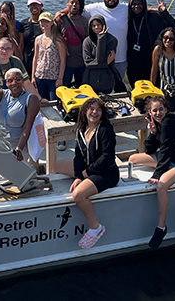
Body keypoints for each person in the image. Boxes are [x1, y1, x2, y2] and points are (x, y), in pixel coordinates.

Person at [129, 96, 175, 248]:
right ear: (150, 112)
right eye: (155, 110)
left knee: (161, 186)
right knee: (133, 158)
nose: (158, 113)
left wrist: (157, 174)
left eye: (161, 109)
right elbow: (149, 150)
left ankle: (161, 227)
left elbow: (166, 151)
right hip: (171, 159)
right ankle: (164, 171)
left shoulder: (169, 123)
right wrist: (153, 132)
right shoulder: (159, 124)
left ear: (166, 110)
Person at [0, 68, 40, 182]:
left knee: (12, 182)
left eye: (18, 80)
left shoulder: (31, 99)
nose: (14, 83)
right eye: (10, 81)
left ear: (23, 80)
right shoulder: (0, 93)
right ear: (6, 83)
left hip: (16, 148)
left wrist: (19, 148)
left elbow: (27, 127)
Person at [70, 98, 119, 249]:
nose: (94, 112)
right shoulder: (81, 130)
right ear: (84, 111)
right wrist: (78, 176)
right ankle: (81, 178)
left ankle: (95, 227)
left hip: (107, 173)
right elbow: (78, 157)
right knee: (57, 166)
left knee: (78, 195)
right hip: (89, 170)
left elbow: (107, 157)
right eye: (91, 109)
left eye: (98, 109)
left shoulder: (105, 129)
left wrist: (87, 173)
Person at [126, 0, 175, 84]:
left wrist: (164, 13)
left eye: (140, 4)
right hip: (133, 60)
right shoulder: (126, 17)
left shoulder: (154, 16)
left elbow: (172, 27)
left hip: (150, 58)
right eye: (134, 4)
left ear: (144, 4)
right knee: (135, 86)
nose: (137, 6)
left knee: (152, 85)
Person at [83, 0, 128, 85]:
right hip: (100, 58)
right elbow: (76, 9)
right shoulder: (94, 8)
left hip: (120, 59)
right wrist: (61, 13)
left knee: (118, 86)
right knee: (102, 86)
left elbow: (143, 8)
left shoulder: (125, 9)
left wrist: (157, 10)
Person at [150, 27, 175, 114]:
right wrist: (152, 87)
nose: (168, 41)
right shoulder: (158, 50)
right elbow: (154, 69)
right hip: (164, 85)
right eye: (165, 38)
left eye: (171, 39)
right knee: (163, 112)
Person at [55, 0, 89, 87]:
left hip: (81, 62)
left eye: (77, 3)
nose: (74, 5)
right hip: (66, 63)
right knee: (64, 88)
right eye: (72, 2)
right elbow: (55, 36)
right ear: (67, 4)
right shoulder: (61, 20)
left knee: (82, 88)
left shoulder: (85, 22)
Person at [32, 12, 66, 102]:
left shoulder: (57, 40)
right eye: (42, 21)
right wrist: (33, 76)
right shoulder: (38, 39)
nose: (44, 24)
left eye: (46, 21)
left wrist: (60, 78)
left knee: (53, 102)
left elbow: (63, 60)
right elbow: (35, 58)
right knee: (42, 101)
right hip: (40, 75)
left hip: (53, 77)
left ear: (51, 23)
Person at [83, 15, 118, 95]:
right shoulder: (87, 42)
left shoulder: (112, 40)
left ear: (103, 25)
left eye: (98, 24)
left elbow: (100, 59)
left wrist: (101, 38)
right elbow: (88, 63)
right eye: (93, 25)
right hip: (90, 80)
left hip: (106, 80)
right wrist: (106, 63)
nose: (96, 27)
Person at [21, 0, 44, 72]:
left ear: (41, 6)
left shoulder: (46, 23)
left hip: (41, 57)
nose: (34, 7)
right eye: (31, 5)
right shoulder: (24, 23)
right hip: (27, 56)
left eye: (36, 4)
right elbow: (21, 43)